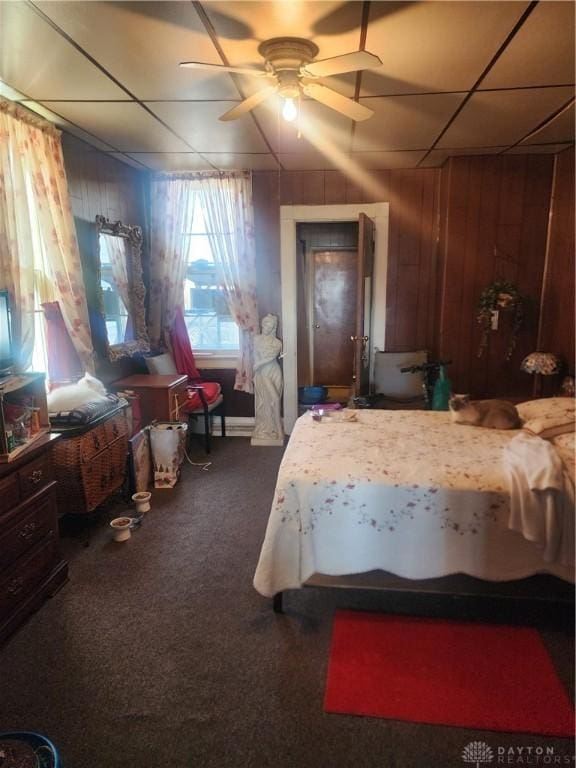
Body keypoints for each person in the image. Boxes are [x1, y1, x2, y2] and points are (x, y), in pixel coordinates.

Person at [251, 314, 283, 446]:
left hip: (273, 372)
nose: (265, 326)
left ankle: (276, 429)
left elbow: (271, 357)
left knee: (275, 400)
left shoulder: (277, 343)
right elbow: (256, 355)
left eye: (268, 324)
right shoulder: (256, 339)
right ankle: (268, 429)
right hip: (261, 374)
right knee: (265, 402)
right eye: (264, 323)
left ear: (273, 327)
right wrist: (257, 365)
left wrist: (258, 364)